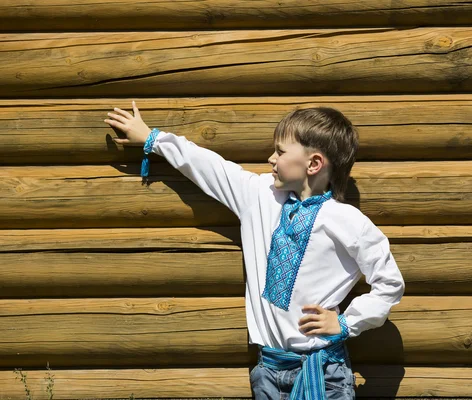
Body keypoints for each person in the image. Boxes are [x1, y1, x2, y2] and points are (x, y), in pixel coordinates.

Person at [104, 101, 405, 399]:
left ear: (313, 164)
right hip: (269, 372)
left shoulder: (348, 221)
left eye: (281, 151)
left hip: (325, 373)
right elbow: (210, 166)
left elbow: (390, 283)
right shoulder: (259, 196)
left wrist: (344, 323)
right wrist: (153, 138)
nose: (271, 158)